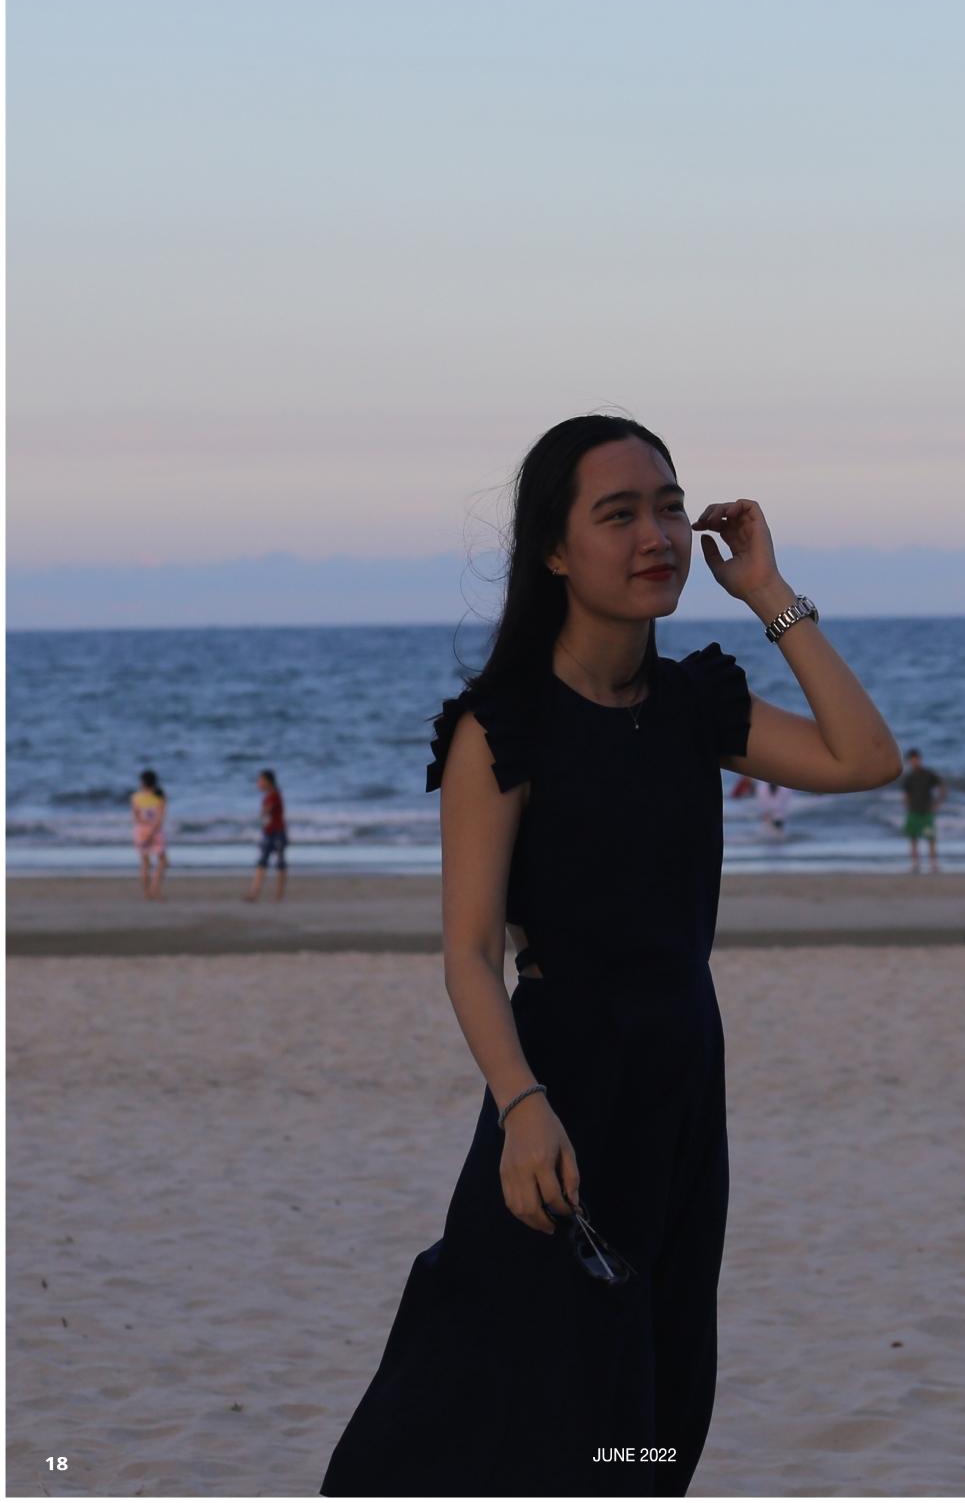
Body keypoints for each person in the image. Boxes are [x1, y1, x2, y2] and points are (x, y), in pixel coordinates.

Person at [319, 415, 902, 1497]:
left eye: (670, 507)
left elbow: (867, 758)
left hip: (682, 1079)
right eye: (619, 513)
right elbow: (467, 951)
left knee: (657, 1391)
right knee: (505, 1379)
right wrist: (520, 1104)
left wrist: (768, 592)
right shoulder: (502, 728)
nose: (657, 536)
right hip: (562, 1090)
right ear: (554, 549)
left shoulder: (696, 707)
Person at [243, 769, 287, 902]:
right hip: (269, 832)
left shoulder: (274, 795)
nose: (259, 784)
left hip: (277, 832)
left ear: (268, 782)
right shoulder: (270, 796)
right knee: (263, 862)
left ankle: (278, 894)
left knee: (278, 863)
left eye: (261, 781)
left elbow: (266, 812)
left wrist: (263, 813)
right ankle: (255, 892)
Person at [899, 747, 945, 872]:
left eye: (916, 759)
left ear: (920, 759)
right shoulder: (909, 777)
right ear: (909, 761)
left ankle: (934, 864)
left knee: (931, 839)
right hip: (913, 811)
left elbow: (942, 786)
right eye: (912, 760)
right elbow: (906, 794)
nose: (914, 762)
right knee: (913, 839)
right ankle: (915, 864)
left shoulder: (928, 774)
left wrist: (938, 803)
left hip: (926, 811)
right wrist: (906, 805)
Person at [130, 769, 168, 900]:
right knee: (162, 861)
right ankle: (154, 888)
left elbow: (136, 818)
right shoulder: (159, 797)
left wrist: (145, 829)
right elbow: (160, 818)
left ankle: (147, 892)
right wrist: (152, 832)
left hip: (140, 831)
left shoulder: (136, 797)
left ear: (142, 782)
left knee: (145, 862)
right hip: (155, 830)